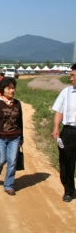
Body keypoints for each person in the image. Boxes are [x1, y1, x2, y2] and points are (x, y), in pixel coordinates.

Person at [0, 77, 24, 196]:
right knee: (0, 160)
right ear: (2, 89)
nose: (11, 90)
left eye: (13, 88)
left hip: (15, 137)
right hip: (0, 137)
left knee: (12, 161)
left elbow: (20, 121)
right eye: (8, 88)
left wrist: (22, 137)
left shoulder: (17, 103)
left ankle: (9, 185)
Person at [51, 63, 76, 202]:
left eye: (73, 75)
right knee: (66, 163)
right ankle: (69, 190)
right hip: (69, 132)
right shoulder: (66, 92)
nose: (71, 79)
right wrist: (56, 127)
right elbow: (59, 111)